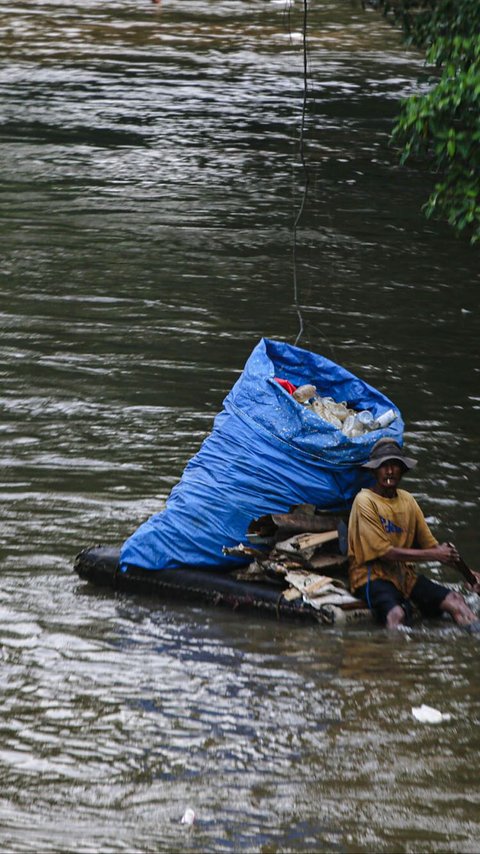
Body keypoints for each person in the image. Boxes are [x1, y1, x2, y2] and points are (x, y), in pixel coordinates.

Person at [348, 438, 480, 630]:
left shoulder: (407, 500)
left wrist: (471, 577)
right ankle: (389, 655)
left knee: (456, 600)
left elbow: (433, 548)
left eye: (395, 466)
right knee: (397, 614)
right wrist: (434, 555)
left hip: (404, 576)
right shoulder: (364, 501)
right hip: (370, 577)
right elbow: (384, 552)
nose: (390, 471)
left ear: (402, 470)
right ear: (374, 470)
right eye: (384, 466)